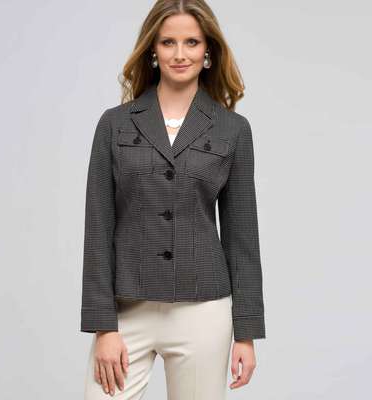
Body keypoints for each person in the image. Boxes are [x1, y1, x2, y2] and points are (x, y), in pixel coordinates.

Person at [81, 1, 266, 399]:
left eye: (191, 42)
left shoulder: (233, 130)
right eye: (168, 42)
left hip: (203, 311)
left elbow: (242, 238)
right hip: (127, 309)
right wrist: (103, 326)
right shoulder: (114, 124)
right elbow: (97, 228)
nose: (180, 54)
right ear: (153, 49)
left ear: (208, 50)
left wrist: (246, 333)